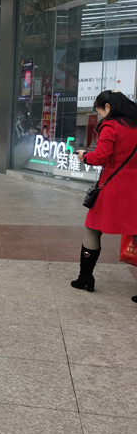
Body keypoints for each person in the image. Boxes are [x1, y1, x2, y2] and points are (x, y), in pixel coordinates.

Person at [71, 90, 137, 302]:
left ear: (108, 107)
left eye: (99, 111)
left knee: (93, 229)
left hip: (113, 185)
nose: (99, 116)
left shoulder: (110, 126)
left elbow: (100, 156)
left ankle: (85, 277)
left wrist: (84, 156)